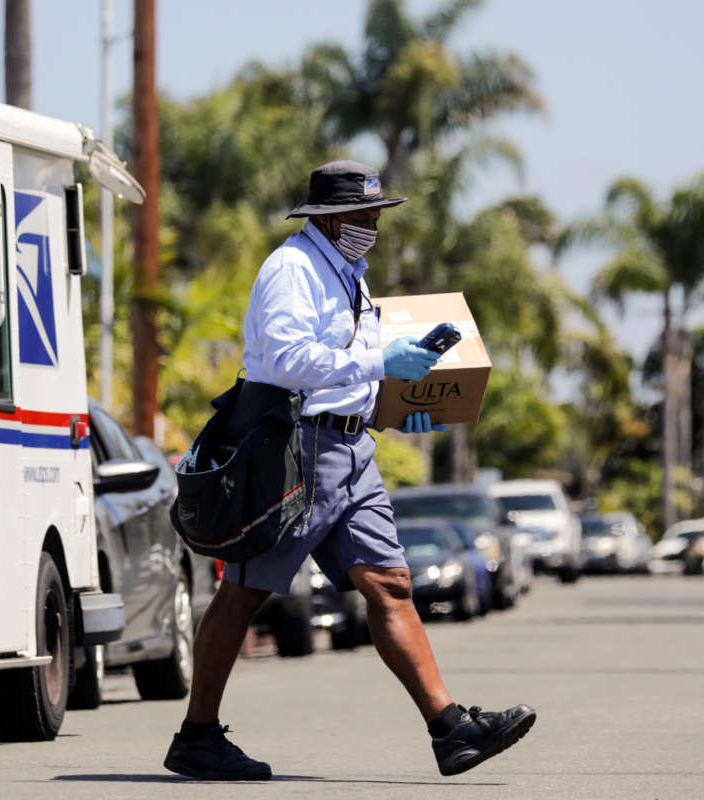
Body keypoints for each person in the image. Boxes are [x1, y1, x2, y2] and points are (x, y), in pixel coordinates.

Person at [163, 160, 536, 781]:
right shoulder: (294, 268)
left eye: (377, 213)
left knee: (390, 585)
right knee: (244, 591)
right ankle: (197, 736)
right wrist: (380, 359)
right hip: (294, 449)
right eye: (364, 214)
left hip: (349, 450)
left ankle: (450, 730)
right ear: (329, 216)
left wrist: (397, 406)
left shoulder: (350, 275)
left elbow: (352, 372)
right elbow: (286, 359)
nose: (373, 224)